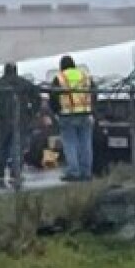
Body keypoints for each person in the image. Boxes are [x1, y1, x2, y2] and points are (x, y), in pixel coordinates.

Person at [0, 62, 37, 190]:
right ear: (16, 70)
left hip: (3, 119)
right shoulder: (24, 84)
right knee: (17, 146)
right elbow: (36, 97)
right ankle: (15, 171)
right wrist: (31, 112)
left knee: (2, 145)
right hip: (21, 119)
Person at [53, 54, 95, 182]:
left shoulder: (60, 78)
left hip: (67, 115)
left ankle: (73, 172)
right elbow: (94, 93)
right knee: (86, 144)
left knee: (70, 144)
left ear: (61, 66)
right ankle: (86, 172)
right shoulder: (85, 76)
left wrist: (56, 111)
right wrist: (93, 110)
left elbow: (53, 97)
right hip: (85, 114)